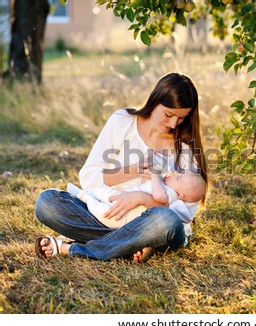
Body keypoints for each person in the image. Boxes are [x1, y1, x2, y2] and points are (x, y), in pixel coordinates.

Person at [34, 72, 208, 263]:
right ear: (155, 101)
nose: (174, 123)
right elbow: (89, 177)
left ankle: (76, 248)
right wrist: (132, 170)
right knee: (47, 202)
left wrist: (142, 198)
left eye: (181, 118)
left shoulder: (184, 147)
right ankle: (132, 243)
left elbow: (185, 213)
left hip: (152, 223)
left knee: (165, 221)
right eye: (169, 115)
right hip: (106, 213)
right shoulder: (122, 121)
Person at [66, 168, 206, 229]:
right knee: (49, 199)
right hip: (123, 200)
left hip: (124, 213)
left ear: (180, 195)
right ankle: (88, 195)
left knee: (102, 211)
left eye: (179, 177)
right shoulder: (170, 185)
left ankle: (85, 197)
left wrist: (155, 176)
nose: (174, 173)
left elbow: (158, 196)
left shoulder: (171, 194)